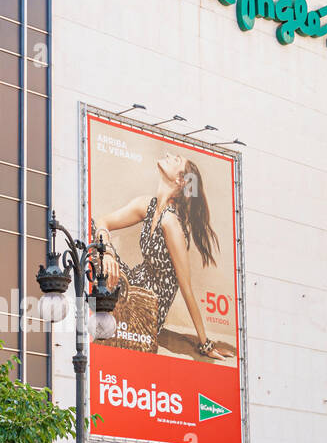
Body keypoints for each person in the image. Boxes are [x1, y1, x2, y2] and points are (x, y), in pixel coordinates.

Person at [94, 151, 232, 360]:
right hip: (132, 283)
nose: (168, 154)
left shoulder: (171, 223)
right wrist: (108, 254)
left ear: (179, 180)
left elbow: (186, 287)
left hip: (145, 309)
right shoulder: (147, 205)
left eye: (176, 159)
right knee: (94, 241)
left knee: (96, 250)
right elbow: (103, 221)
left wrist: (204, 343)